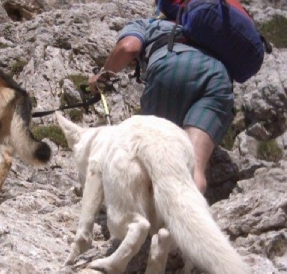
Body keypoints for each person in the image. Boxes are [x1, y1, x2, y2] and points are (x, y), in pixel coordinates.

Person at [88, 18, 234, 194]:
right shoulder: (204, 27)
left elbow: (129, 47)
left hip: (173, 66)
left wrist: (101, 77)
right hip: (219, 77)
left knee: (152, 156)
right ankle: (187, 217)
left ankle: (147, 213)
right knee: (194, 168)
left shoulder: (148, 24)